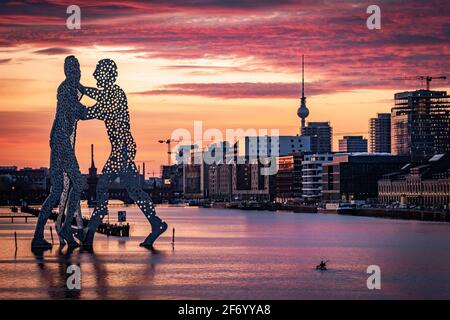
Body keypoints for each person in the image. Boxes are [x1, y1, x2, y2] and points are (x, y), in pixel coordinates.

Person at [79, 59, 167, 247]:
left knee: (103, 189)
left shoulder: (116, 94)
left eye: (98, 73)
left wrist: (78, 110)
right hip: (122, 149)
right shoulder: (112, 92)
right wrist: (83, 89)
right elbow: (99, 96)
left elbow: (98, 110)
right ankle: (155, 224)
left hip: (122, 150)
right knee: (134, 191)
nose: (95, 76)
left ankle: (89, 237)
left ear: (107, 75)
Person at [32, 56, 86, 249]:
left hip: (57, 141)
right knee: (78, 182)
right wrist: (103, 111)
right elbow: (80, 111)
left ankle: (38, 237)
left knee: (56, 191)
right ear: (67, 71)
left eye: (78, 67)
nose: (77, 71)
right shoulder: (66, 89)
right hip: (61, 142)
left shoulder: (71, 88)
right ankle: (65, 229)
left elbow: (78, 107)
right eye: (73, 68)